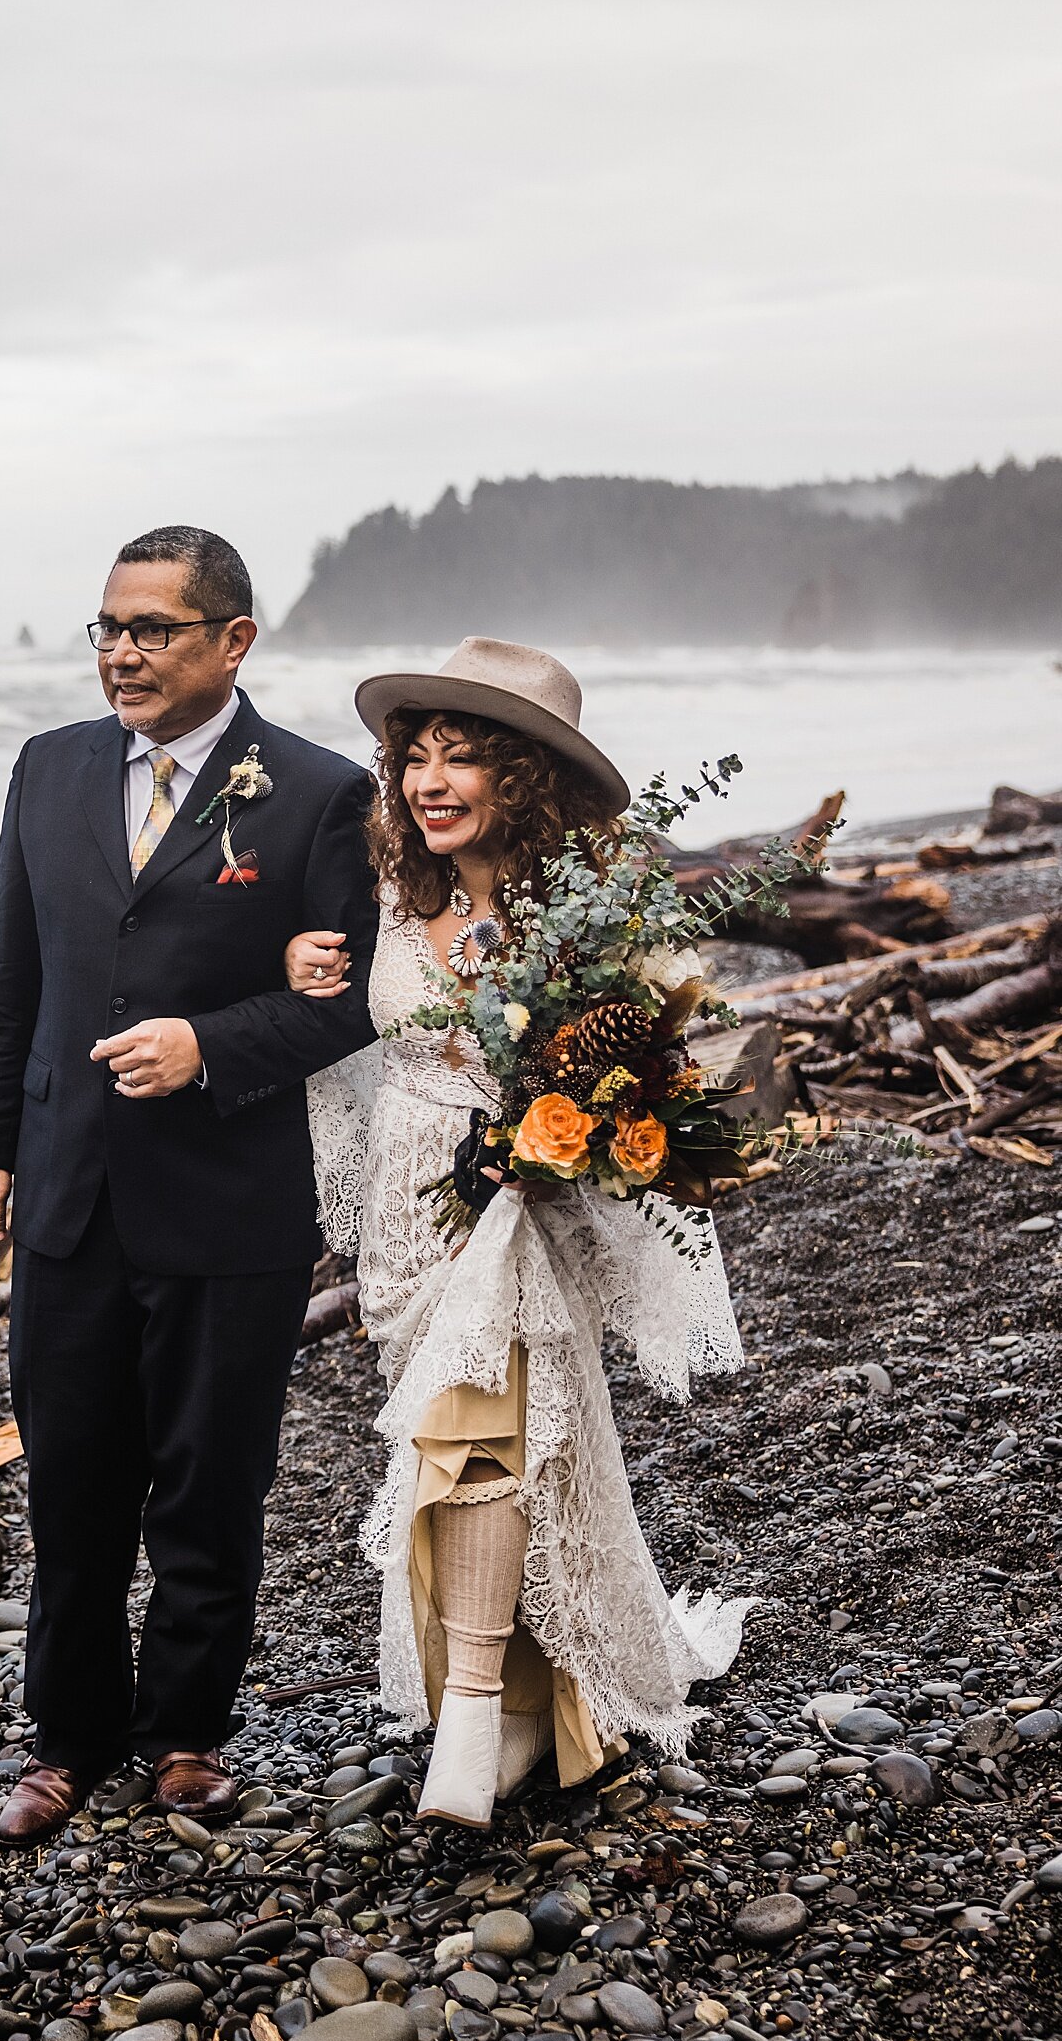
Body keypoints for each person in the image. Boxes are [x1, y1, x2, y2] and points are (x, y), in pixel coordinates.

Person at [0, 525, 381, 1846]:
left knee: (208, 1485)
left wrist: (210, 1046)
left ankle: (187, 1730)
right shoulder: (48, 769)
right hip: (68, 1192)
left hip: (229, 1200)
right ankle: (68, 1738)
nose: (122, 652)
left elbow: (350, 996)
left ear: (233, 640)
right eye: (108, 627)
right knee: (72, 1485)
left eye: (154, 629)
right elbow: (6, 974)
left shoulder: (313, 793)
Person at [286, 639, 749, 1829]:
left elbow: (676, 1056)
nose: (430, 781)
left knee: (475, 1437)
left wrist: (599, 1122)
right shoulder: (387, 895)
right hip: (405, 1210)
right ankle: (540, 1714)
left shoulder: (586, 924)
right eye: (417, 757)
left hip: (515, 1210)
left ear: (524, 779)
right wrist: (300, 968)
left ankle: (473, 1717)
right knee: (487, 1451)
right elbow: (339, 1030)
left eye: (464, 759)